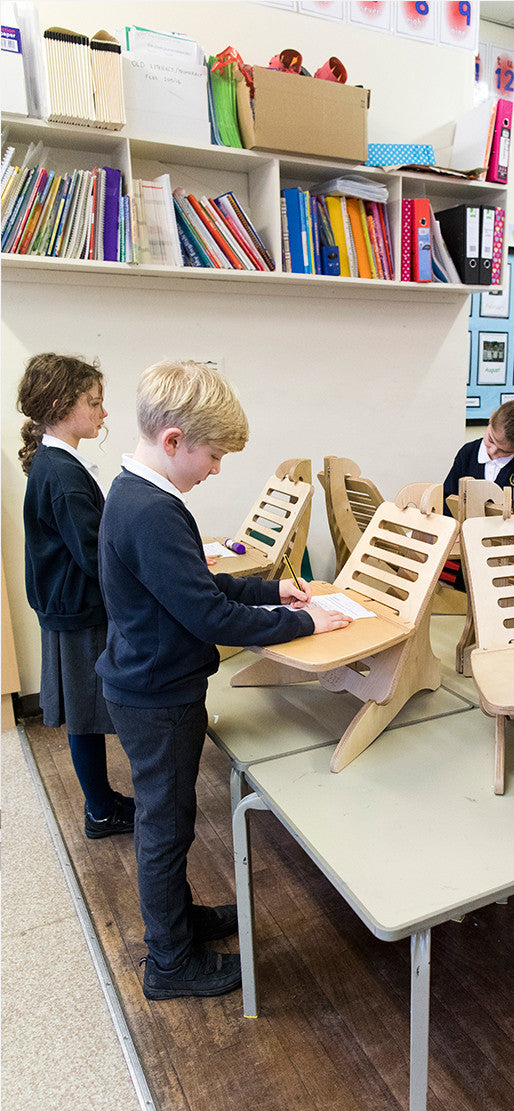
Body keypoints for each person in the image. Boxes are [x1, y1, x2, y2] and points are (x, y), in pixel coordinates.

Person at [96, 360, 351, 1001]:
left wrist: (276, 590)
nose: (217, 469)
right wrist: (307, 624)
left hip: (150, 686)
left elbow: (199, 585)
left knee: (170, 820)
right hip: (157, 695)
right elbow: (209, 614)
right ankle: (170, 963)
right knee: (165, 827)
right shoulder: (151, 511)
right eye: (214, 455)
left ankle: (179, 924)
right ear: (174, 440)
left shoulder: (143, 496)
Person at [18, 352, 134, 840]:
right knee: (86, 716)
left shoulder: (54, 462)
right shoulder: (62, 474)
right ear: (62, 404)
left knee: (83, 714)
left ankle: (101, 802)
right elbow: (93, 554)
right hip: (78, 610)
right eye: (95, 403)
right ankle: (101, 811)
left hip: (66, 606)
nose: (104, 414)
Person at [443, 400, 514, 501]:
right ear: (491, 418)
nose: (492, 451)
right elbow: (447, 498)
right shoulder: (468, 453)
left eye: (505, 451)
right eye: (491, 440)